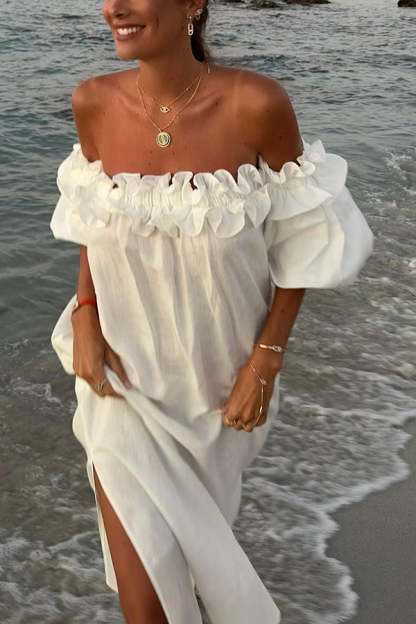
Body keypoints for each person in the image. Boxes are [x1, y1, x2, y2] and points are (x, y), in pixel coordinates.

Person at [49, 1, 374, 623]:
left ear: (193, 3)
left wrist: (266, 361)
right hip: (119, 377)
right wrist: (85, 312)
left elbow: (303, 241)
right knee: (148, 604)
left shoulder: (256, 104)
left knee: (190, 564)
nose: (114, 7)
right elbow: (96, 219)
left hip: (218, 387)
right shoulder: (93, 102)